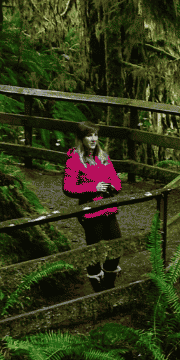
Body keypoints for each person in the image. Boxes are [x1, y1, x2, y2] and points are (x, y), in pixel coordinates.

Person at [63, 125, 123, 292]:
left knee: (116, 247)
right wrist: (93, 187)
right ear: (81, 138)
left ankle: (109, 285)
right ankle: (98, 289)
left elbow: (117, 182)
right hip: (90, 212)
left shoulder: (103, 157)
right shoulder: (74, 159)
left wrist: (113, 186)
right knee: (94, 251)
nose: (93, 139)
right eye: (89, 136)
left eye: (95, 135)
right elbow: (68, 188)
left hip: (108, 208)